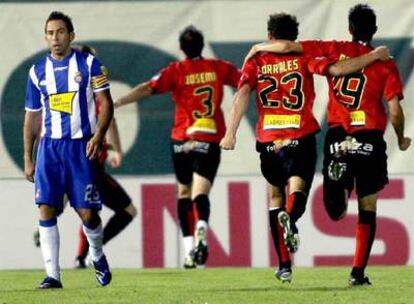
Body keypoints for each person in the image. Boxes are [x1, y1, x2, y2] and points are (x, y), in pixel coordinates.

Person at [243, 4, 411, 286]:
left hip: (338, 136)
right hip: (370, 139)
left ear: (349, 29)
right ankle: (357, 273)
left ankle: (340, 188)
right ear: (374, 30)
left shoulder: (332, 48)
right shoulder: (385, 63)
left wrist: (257, 48)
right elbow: (394, 111)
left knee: (335, 211)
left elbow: (287, 47)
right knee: (368, 206)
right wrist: (402, 137)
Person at [115, 25, 241, 268]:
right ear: (202, 46)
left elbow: (147, 88)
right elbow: (245, 80)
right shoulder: (218, 68)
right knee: (200, 193)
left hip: (182, 139)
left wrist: (119, 101)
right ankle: (202, 226)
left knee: (183, 193)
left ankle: (188, 250)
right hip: (209, 137)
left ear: (182, 49)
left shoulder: (176, 70)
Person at [23, 11, 114, 288]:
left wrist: (99, 134)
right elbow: (32, 116)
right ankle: (53, 275)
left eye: (60, 32)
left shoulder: (89, 64)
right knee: (46, 208)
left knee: (87, 213)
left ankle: (96, 255)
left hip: (80, 147)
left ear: (71, 36)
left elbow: (106, 103)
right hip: (49, 149)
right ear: (45, 37)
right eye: (50, 33)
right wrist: (28, 157)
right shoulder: (37, 72)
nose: (55, 38)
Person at [72, 45, 138, 269]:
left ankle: (78, 252)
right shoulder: (95, 89)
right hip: (91, 162)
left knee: (84, 208)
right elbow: (108, 118)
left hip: (69, 158)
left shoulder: (63, 88)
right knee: (120, 211)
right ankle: (89, 253)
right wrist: (116, 150)